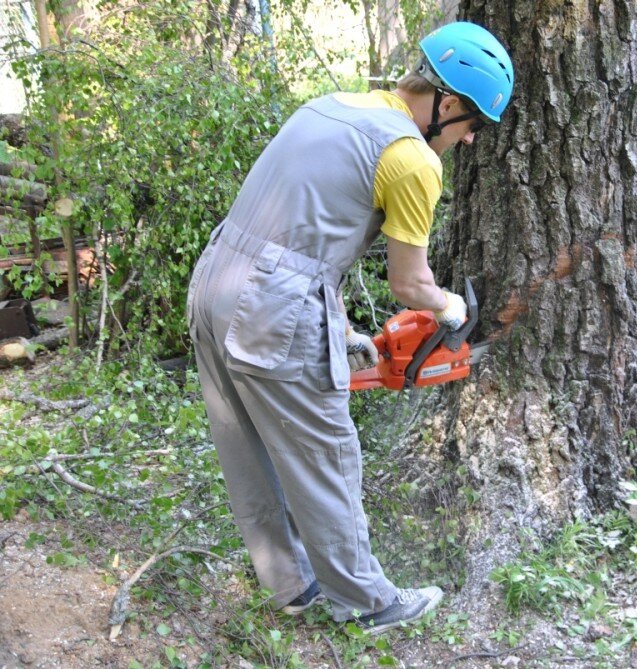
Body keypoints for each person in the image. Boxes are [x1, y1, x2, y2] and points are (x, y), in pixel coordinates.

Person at [185, 21, 514, 633]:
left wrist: (338, 328)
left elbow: (299, 232)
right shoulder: (412, 158)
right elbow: (410, 285)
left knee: (246, 451)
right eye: (474, 125)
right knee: (326, 454)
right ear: (446, 103)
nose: (470, 141)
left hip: (216, 278)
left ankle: (292, 587)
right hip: (272, 304)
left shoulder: (332, 106)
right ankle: (370, 602)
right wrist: (450, 310)